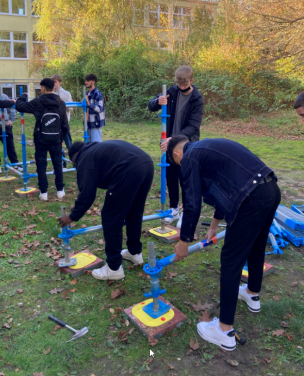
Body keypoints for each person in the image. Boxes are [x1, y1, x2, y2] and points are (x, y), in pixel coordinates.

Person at [167, 135, 281, 351]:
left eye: (178, 165)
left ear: (176, 155)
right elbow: (224, 188)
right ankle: (252, 294)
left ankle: (224, 330)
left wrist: (184, 241)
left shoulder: (189, 157)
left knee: (231, 259)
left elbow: (192, 202)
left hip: (251, 199)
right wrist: (213, 226)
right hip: (270, 190)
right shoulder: (207, 147)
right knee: (256, 246)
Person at [58, 140, 154, 280]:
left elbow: (87, 194)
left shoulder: (83, 158)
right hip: (146, 163)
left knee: (110, 217)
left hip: (127, 168)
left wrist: (72, 216)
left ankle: (114, 268)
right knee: (134, 211)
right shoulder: (96, 149)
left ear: (74, 157)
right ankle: (135, 253)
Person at [148, 65, 204, 228]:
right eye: (179, 85)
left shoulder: (197, 99)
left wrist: (175, 139)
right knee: (171, 177)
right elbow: (150, 105)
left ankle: (186, 211)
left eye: (185, 85)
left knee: (185, 178)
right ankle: (173, 210)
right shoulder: (171, 91)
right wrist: (158, 101)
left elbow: (194, 126)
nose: (181, 88)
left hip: (187, 144)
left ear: (191, 81)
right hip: (169, 144)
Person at [15, 78, 69, 201]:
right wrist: (61, 138)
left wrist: (23, 96)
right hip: (56, 139)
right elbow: (65, 125)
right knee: (58, 164)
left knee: (41, 165)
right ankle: (60, 190)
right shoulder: (61, 103)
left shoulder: (37, 102)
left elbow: (19, 106)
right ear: (54, 88)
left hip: (40, 139)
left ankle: (44, 193)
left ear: (43, 88)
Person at [0, 78, 21, 173]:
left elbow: (11, 108)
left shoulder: (3, 96)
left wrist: (11, 120)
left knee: (9, 145)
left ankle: (15, 163)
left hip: (5, 125)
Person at [52, 74, 73, 150]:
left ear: (60, 82)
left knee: (68, 141)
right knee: (57, 142)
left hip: (64, 122)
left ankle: (73, 157)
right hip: (54, 121)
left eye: (55, 82)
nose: (53, 84)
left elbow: (71, 107)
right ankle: (61, 160)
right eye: (52, 82)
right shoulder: (50, 94)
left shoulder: (66, 93)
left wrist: (62, 104)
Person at [84, 73, 105, 142]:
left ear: (93, 82)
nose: (85, 82)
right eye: (85, 80)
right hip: (88, 124)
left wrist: (89, 104)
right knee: (89, 146)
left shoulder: (97, 94)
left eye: (88, 81)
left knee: (96, 145)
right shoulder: (87, 94)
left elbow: (99, 108)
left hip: (96, 124)